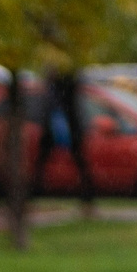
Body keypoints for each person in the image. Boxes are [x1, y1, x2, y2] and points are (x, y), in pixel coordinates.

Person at [30, 69, 97, 220]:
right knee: (43, 163)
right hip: (60, 123)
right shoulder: (64, 85)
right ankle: (32, 196)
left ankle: (87, 201)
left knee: (77, 164)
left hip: (64, 123)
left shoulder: (63, 84)